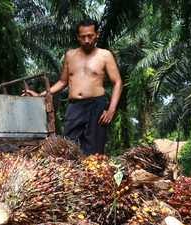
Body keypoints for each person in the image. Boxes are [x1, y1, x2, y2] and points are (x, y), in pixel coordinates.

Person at [24, 19, 122, 155]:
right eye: (83, 37)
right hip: (75, 106)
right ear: (78, 37)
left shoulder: (105, 55)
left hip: (97, 106)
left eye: (90, 36)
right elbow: (62, 82)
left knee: (94, 150)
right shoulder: (70, 55)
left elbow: (117, 82)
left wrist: (111, 110)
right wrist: (40, 96)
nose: (87, 40)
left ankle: (93, 175)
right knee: (68, 146)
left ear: (97, 34)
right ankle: (73, 175)